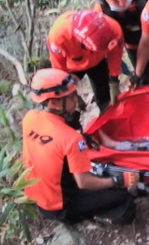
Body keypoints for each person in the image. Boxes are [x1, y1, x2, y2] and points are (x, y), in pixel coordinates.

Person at [22, 68, 138, 225]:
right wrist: (117, 180)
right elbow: (84, 182)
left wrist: (84, 138)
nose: (75, 100)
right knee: (124, 197)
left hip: (37, 197)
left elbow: (51, 141)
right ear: (54, 102)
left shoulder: (29, 118)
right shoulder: (71, 139)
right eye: (70, 97)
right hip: (60, 205)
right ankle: (88, 217)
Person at [92, 0, 149, 87]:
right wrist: (115, 73)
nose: (122, 3)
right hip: (133, 46)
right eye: (115, 1)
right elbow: (106, 47)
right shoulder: (100, 12)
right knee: (142, 82)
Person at [47, 9, 124, 112]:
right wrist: (72, 94)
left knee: (104, 98)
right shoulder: (58, 38)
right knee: (67, 107)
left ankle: (108, 114)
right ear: (81, 43)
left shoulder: (111, 27)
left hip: (97, 61)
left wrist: (114, 81)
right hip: (72, 66)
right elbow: (59, 71)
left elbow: (115, 54)